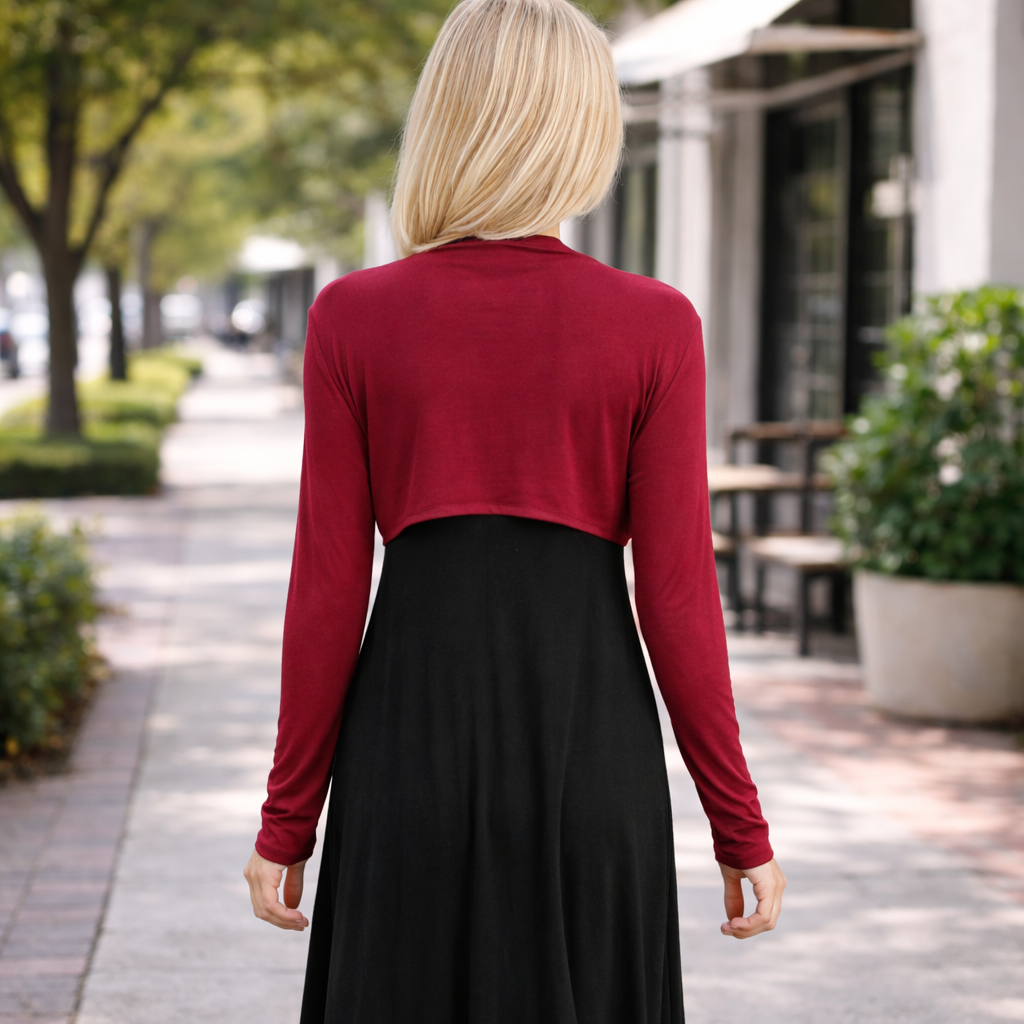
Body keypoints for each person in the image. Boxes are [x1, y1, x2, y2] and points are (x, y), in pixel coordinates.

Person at [244, 0, 785, 1019]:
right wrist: (737, 824)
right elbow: (677, 595)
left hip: (407, 749)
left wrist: (288, 820)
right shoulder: (655, 325)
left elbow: (327, 586)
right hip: (592, 749)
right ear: (584, 128)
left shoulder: (352, 317)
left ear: (444, 118)